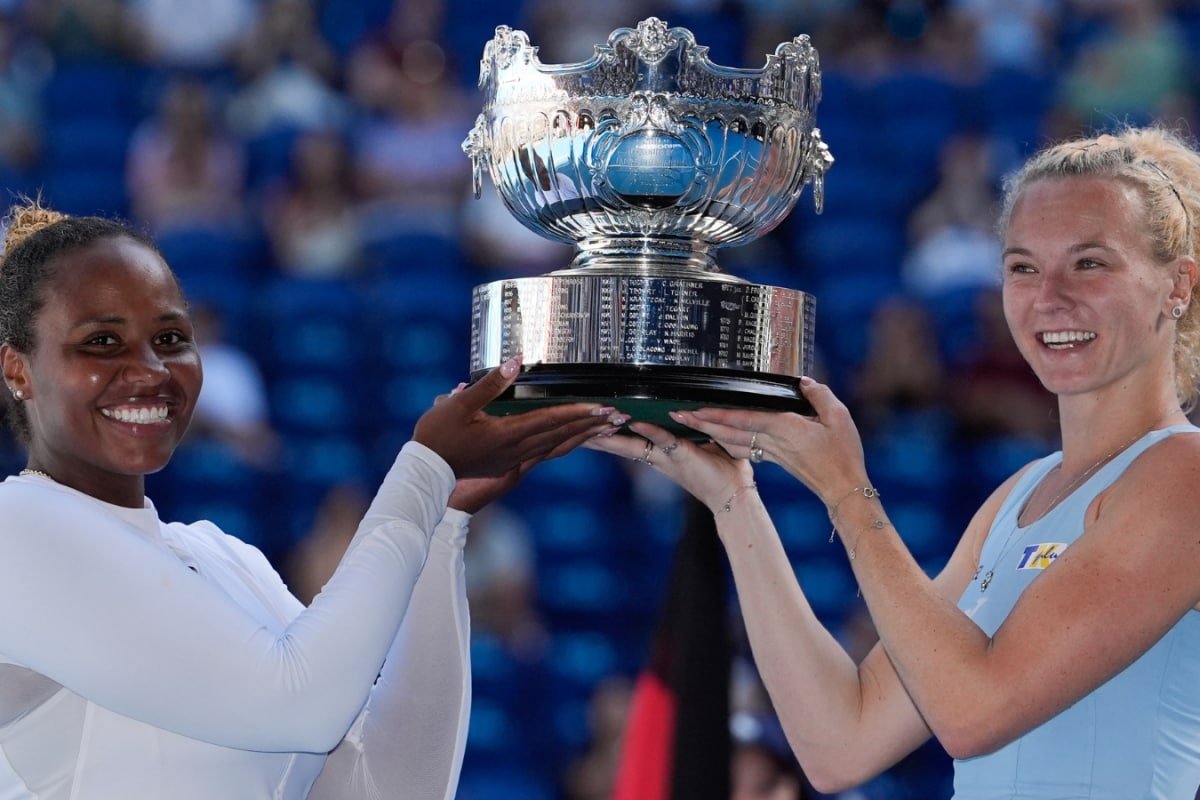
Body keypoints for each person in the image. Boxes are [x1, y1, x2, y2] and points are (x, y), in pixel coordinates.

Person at [588, 125, 1200, 797]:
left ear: (1178, 285)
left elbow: (973, 713)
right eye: (1023, 267)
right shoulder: (1020, 495)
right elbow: (839, 744)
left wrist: (846, 489)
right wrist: (734, 501)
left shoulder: (1184, 475)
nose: (1049, 296)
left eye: (1090, 263)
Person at [0, 200, 627, 798]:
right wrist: (424, 470)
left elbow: (388, 789)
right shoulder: (15, 528)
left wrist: (443, 522)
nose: (150, 370)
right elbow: (297, 703)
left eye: (170, 338)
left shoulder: (225, 558)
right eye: (101, 343)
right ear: (17, 370)